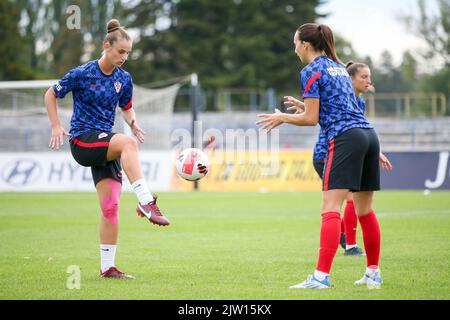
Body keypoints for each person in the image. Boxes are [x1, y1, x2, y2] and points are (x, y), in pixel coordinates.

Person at [257, 23, 384, 289]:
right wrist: (305, 107)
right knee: (364, 210)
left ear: (305, 45)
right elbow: (338, 106)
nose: (294, 49)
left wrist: (283, 117)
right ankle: (373, 273)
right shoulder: (338, 65)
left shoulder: (311, 70)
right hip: (369, 135)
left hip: (346, 138)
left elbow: (312, 119)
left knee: (330, 208)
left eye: (295, 44)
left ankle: (320, 278)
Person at [44, 19, 170, 280]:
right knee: (127, 144)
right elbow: (50, 94)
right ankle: (146, 202)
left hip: (105, 143)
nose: (124, 57)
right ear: (106, 46)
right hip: (82, 140)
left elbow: (126, 106)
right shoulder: (83, 73)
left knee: (111, 206)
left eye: (128, 53)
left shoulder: (124, 79)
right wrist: (56, 125)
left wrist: (133, 122)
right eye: (120, 51)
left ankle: (108, 267)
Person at [283, 62, 392, 257]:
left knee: (354, 201)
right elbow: (317, 115)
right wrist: (303, 108)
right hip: (328, 153)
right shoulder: (338, 94)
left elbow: (358, 126)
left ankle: (346, 240)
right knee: (348, 199)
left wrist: (375, 151)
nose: (369, 81)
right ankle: (349, 244)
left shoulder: (359, 103)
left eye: (369, 77)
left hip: (348, 150)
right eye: (364, 77)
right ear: (349, 79)